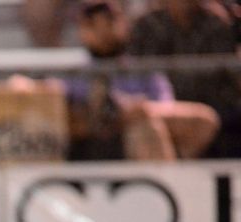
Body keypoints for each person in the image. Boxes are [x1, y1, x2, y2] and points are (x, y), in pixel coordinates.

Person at [67, 0, 219, 160]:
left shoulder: (143, 70)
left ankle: (172, 179)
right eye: (93, 25)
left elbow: (167, 107)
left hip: (142, 136)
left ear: (124, 24)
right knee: (145, 129)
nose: (103, 32)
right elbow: (68, 118)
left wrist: (136, 110)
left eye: (110, 21)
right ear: (81, 31)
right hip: (90, 147)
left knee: (152, 127)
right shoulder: (73, 74)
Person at [128, 0, 241, 157]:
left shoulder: (218, 23)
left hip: (213, 108)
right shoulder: (147, 25)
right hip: (163, 108)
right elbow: (136, 75)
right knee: (146, 125)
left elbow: (230, 77)